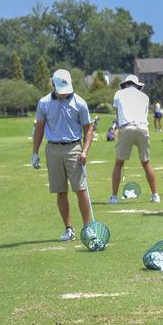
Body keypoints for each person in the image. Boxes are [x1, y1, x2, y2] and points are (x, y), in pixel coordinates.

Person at [31, 69, 94, 241]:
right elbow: (39, 129)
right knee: (60, 191)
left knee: (81, 189)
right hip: (52, 149)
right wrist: (35, 153)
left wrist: (85, 150)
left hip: (74, 148)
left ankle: (88, 228)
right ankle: (69, 229)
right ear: (53, 85)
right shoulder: (44, 103)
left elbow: (88, 130)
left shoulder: (79, 102)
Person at [109, 75, 160, 204]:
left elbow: (118, 112)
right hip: (143, 128)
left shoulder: (119, 94)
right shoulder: (144, 97)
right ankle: (155, 195)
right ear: (137, 85)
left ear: (126, 84)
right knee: (146, 162)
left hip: (126, 127)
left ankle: (114, 197)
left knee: (119, 163)